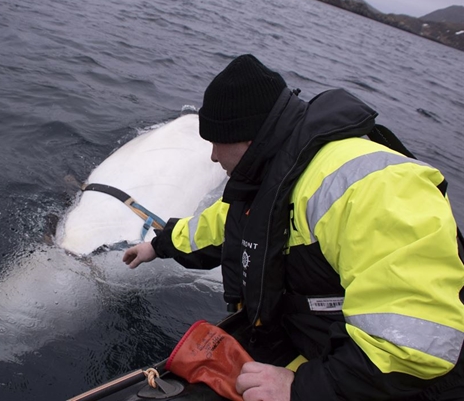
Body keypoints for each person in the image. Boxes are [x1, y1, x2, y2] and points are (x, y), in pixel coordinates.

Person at [123, 54, 464, 401]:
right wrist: (160, 245)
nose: (212, 156)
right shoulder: (278, 173)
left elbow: (413, 346)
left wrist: (300, 389)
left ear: (247, 137)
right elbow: (225, 226)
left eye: (216, 142)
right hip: (327, 349)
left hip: (405, 385)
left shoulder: (376, 188)